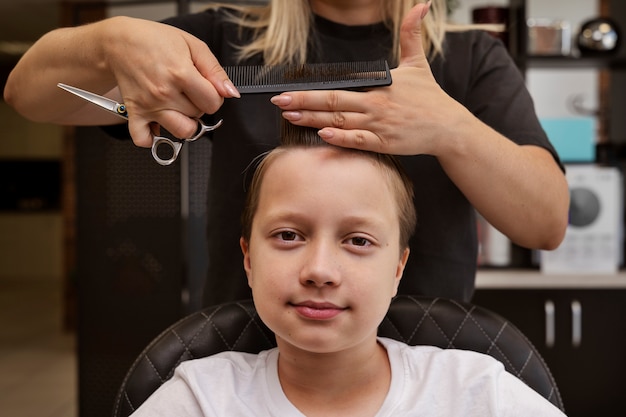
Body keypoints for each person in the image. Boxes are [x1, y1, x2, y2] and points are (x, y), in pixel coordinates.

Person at [3, 1, 569, 305]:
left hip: (424, 355)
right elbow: (26, 94)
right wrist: (107, 42)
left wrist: (451, 129)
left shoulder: (470, 59)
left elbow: (545, 222)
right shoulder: (220, 42)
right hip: (248, 353)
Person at [127, 124, 566, 416]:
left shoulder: (478, 395)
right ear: (247, 259)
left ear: (398, 268)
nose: (320, 271)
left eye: (358, 241)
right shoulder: (199, 401)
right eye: (288, 236)